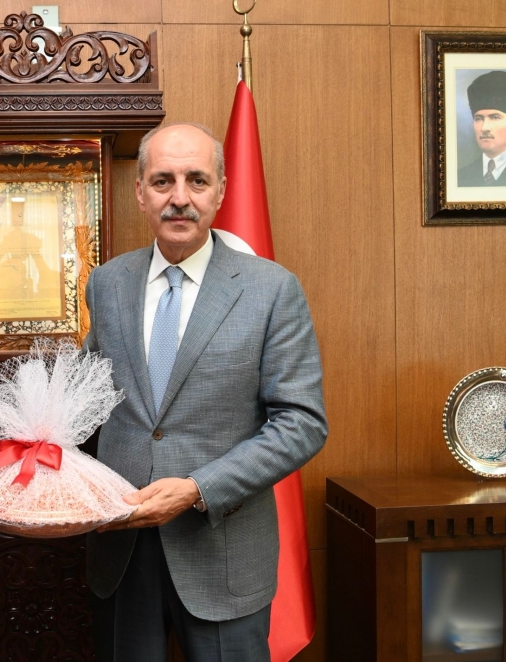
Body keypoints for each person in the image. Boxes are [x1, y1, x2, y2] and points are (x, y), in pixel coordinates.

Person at [83, 123, 328, 662]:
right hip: (121, 548)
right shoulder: (107, 283)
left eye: (196, 180)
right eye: (163, 181)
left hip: (222, 550)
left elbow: (302, 423)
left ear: (220, 191)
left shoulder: (271, 289)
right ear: (140, 192)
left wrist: (198, 488)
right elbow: (87, 401)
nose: (180, 198)